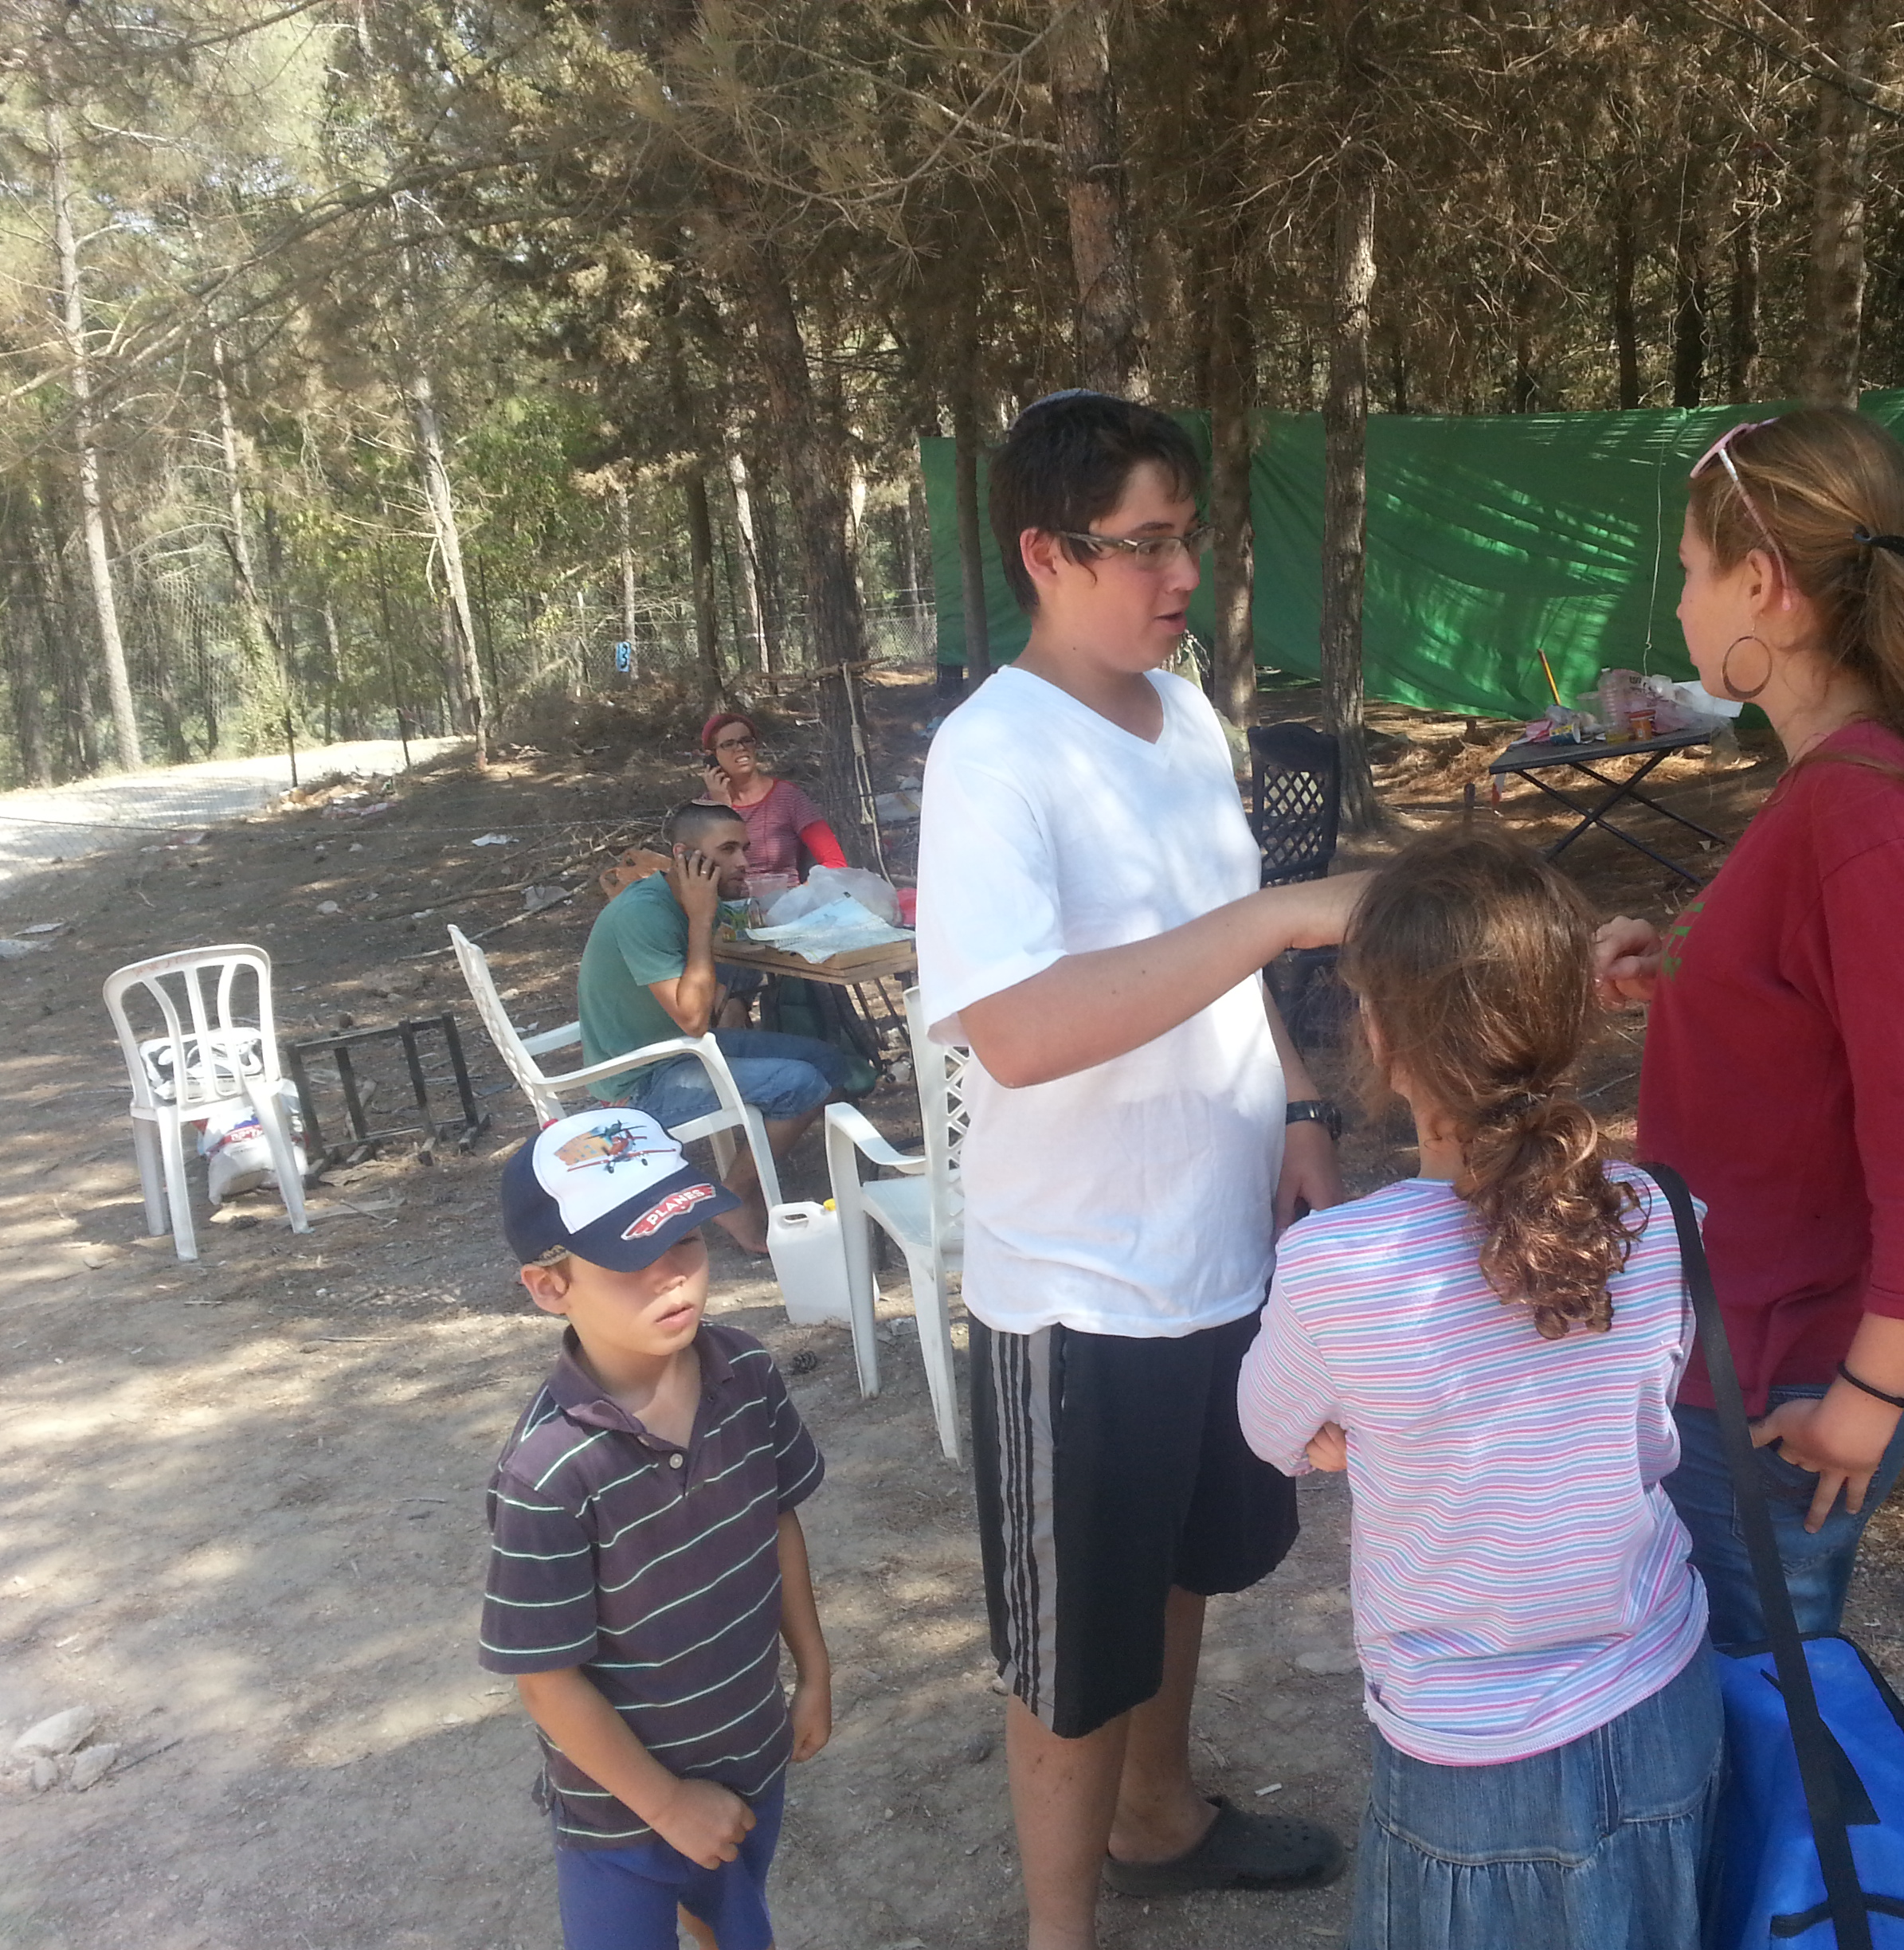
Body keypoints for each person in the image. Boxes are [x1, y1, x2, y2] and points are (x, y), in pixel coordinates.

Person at [916, 390, 1362, 1950]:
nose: (1183, 577)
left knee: (1182, 1562)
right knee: (1070, 1646)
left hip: (1216, 1239)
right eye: (1146, 545)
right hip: (1079, 1283)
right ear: (1047, 553)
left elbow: (1214, 955)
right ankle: (1061, 1932)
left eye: (1190, 539)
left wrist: (1297, 1105)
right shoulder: (991, 756)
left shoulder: (1186, 717)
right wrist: (1279, 918)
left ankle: (1159, 1823)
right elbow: (1018, 1030)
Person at [1592, 407, 1904, 1649]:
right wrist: (1684, 971)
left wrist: (1866, 1399)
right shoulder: (1833, 785)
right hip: (1734, 1350)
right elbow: (1814, 1008)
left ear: (1762, 584)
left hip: (1775, 1382)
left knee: (1757, 1715)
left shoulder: (1862, 813)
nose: (1679, 606)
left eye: (1689, 572)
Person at [1239, 828, 1719, 1950]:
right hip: (1663, 1697)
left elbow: (1269, 1431)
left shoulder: (1337, 1267)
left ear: (1381, 1037)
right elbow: (1634, 1402)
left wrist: (1352, 1428)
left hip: (1468, 1750)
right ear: (1567, 1021)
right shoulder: (1665, 1220)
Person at [479, 1106, 832, 1950]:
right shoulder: (547, 1473)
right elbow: (547, 1682)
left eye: (686, 1240)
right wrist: (667, 1805)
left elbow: (777, 1519)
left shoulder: (745, 1371)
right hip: (619, 1810)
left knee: (734, 1921)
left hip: (750, 1748)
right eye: (629, 1258)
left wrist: (814, 1670)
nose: (672, 1276)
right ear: (550, 1287)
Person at [575, 800, 851, 1253]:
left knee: (829, 1062)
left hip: (681, 1047)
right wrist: (702, 918)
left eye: (744, 848)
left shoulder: (689, 897)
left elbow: (725, 973)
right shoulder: (644, 913)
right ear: (685, 855)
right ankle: (733, 1197)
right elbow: (693, 1017)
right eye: (727, 850)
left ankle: (809, 1182)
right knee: (801, 1082)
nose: (743, 862)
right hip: (639, 1078)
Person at [690, 712, 848, 1030]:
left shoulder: (788, 797)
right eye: (729, 744)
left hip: (786, 914)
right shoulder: (705, 809)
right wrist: (721, 807)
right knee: (724, 997)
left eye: (746, 740)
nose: (740, 749)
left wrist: (800, 896)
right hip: (731, 922)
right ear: (712, 757)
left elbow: (834, 862)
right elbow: (699, 875)